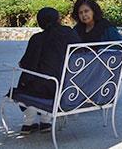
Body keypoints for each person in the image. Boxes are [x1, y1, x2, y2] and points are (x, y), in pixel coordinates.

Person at [13, 7, 81, 135]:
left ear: (40, 23)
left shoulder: (37, 38)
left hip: (44, 88)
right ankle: (45, 121)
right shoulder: (69, 33)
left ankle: (29, 122)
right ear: (57, 20)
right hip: (66, 86)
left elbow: (26, 63)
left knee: (29, 80)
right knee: (47, 75)